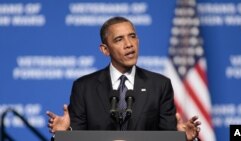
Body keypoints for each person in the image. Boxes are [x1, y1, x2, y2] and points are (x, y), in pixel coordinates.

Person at [47, 16, 201, 141]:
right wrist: (62, 134)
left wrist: (181, 139)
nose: (129, 44)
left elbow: (167, 138)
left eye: (132, 37)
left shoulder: (160, 85)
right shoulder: (84, 87)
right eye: (119, 39)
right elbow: (77, 139)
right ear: (105, 50)